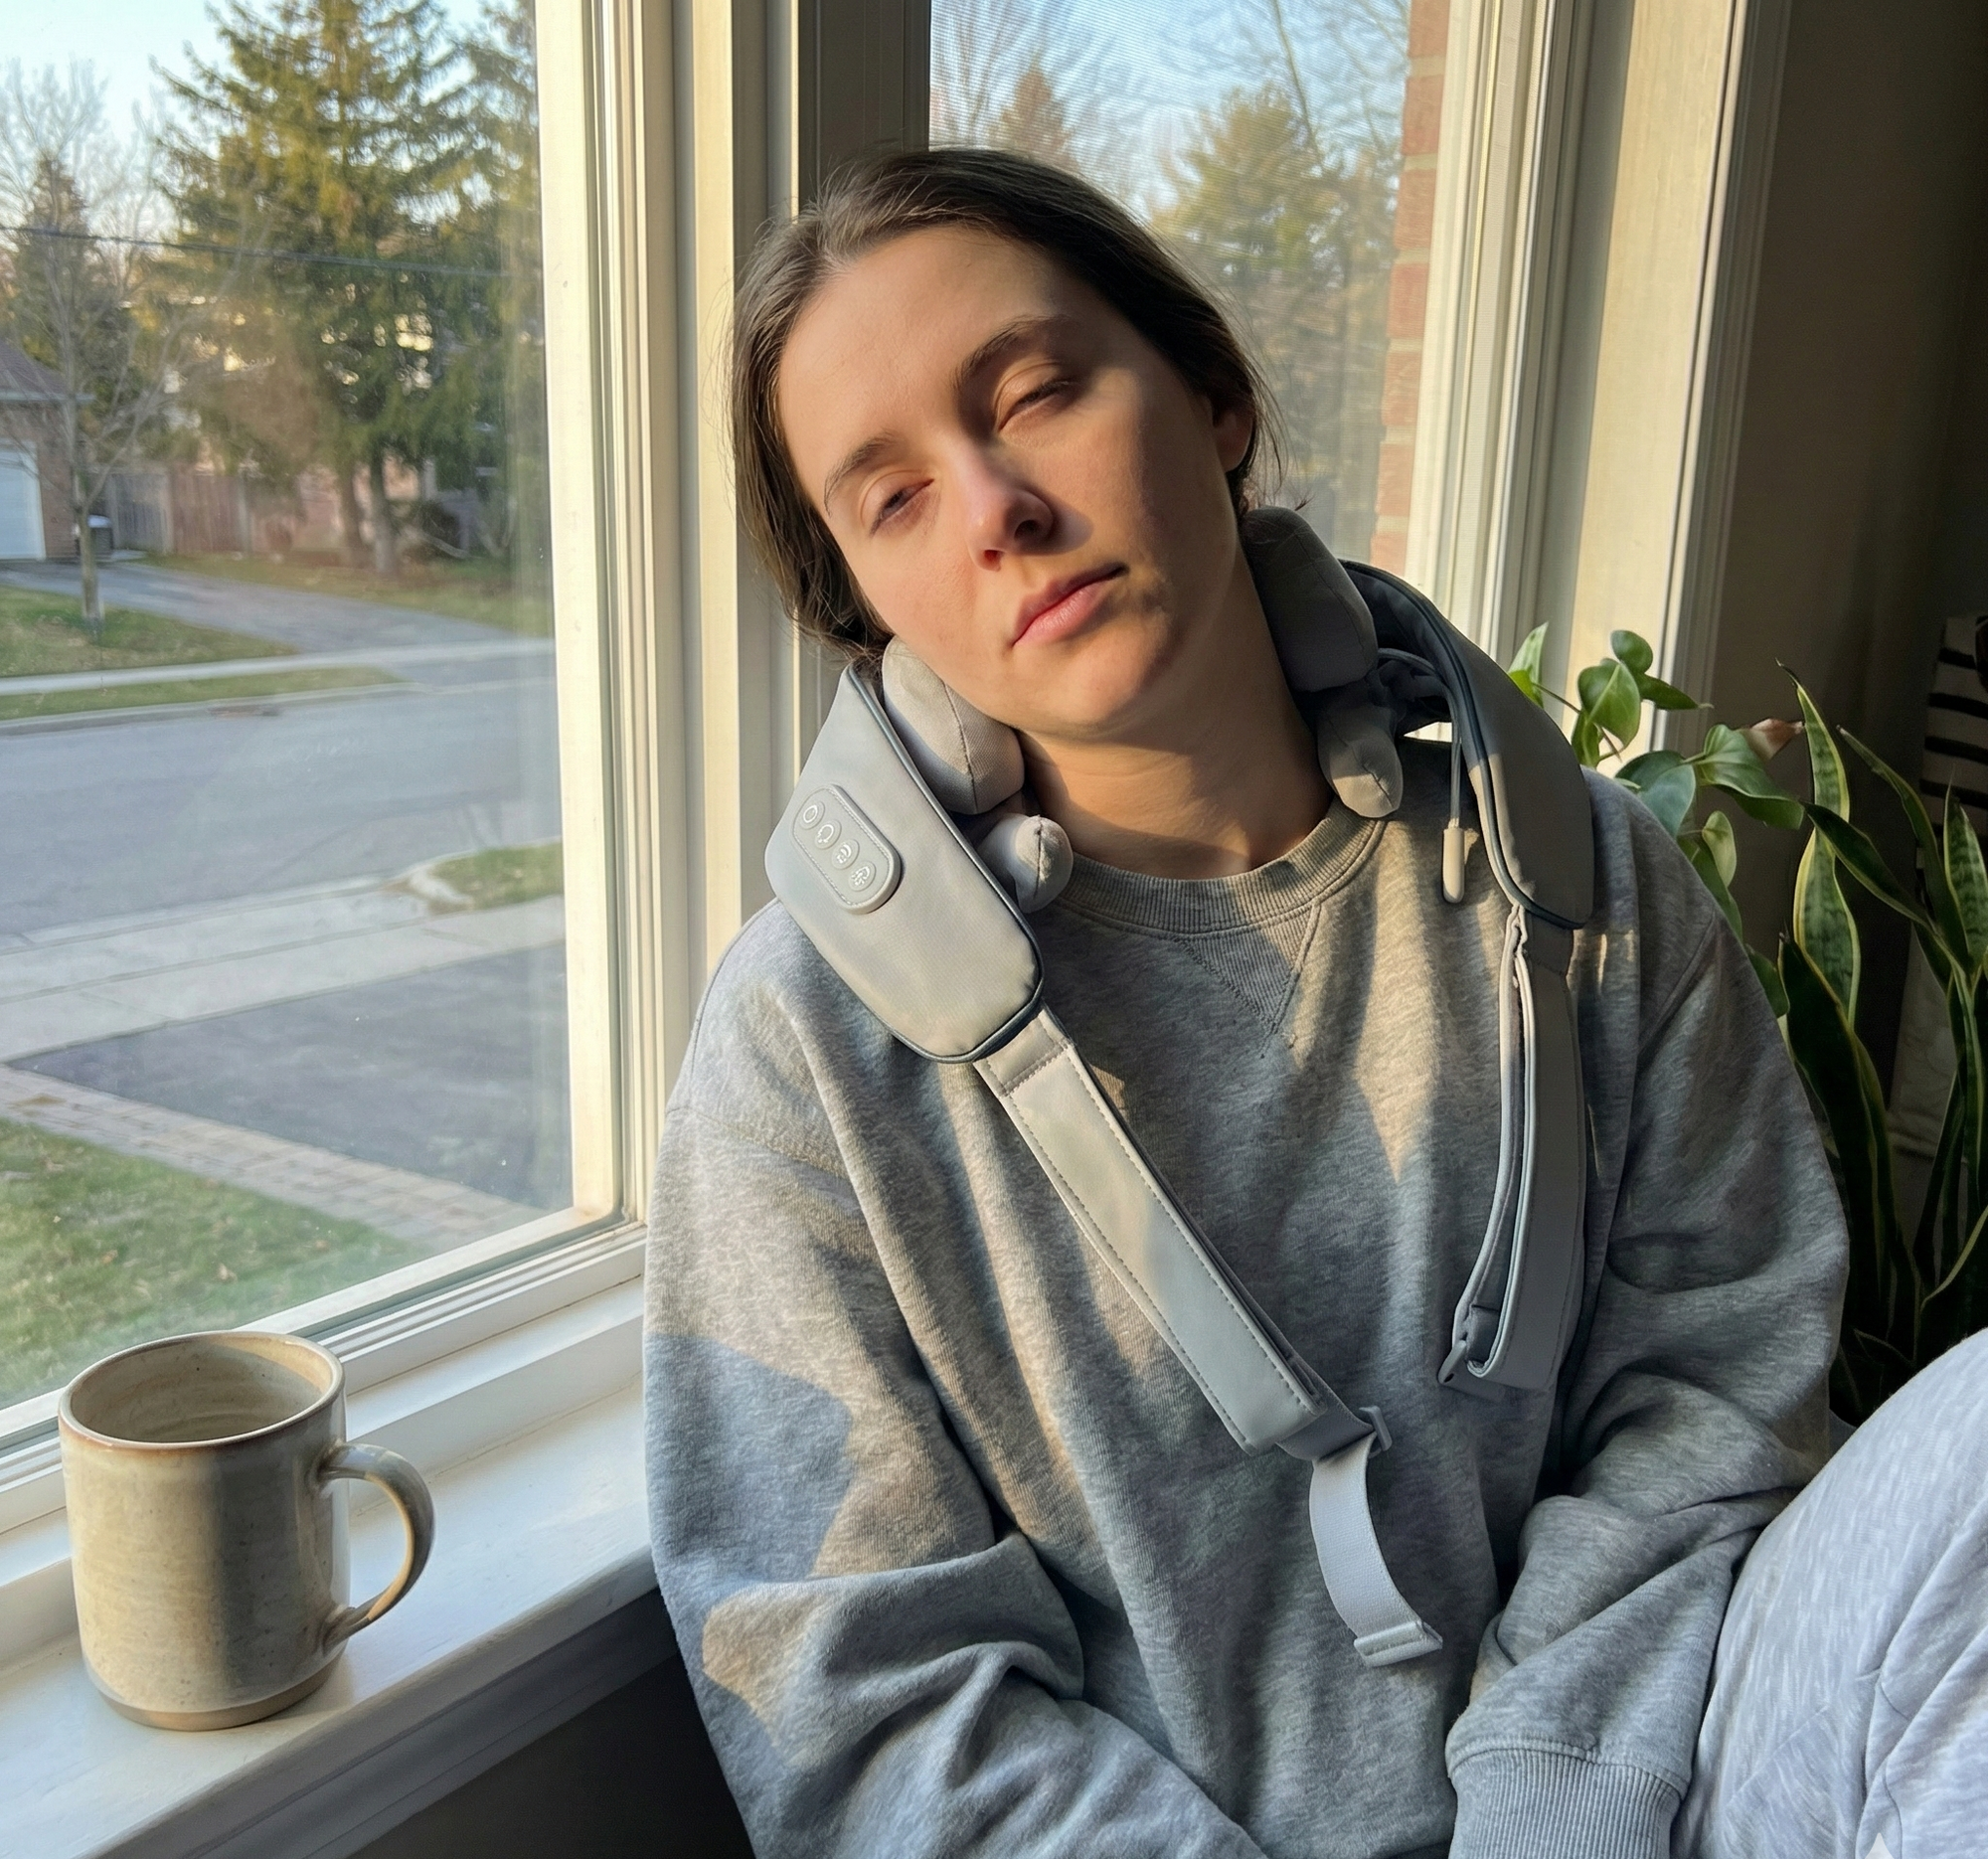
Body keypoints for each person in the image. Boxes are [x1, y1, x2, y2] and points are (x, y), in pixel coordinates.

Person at [643, 147, 1980, 1858]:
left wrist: (1550, 1814)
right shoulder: (804, 1046)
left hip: (1648, 1784)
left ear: (1208, 393)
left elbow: (1712, 1394)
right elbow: (865, 1694)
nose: (995, 509)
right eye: (892, 498)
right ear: (867, 609)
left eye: (1036, 392)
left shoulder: (1585, 880)